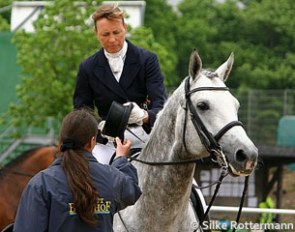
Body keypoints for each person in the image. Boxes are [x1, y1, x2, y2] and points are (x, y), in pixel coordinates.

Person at [13, 109, 142, 232]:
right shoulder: (111, 178)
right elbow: (131, 189)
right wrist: (120, 158)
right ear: (92, 142)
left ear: (60, 141)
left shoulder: (40, 184)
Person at [73, 4, 166, 164]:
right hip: (107, 142)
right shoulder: (87, 67)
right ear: (96, 33)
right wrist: (99, 127)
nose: (112, 39)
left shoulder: (148, 60)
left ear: (125, 28)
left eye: (117, 32)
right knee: (87, 174)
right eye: (105, 34)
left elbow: (161, 104)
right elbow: (82, 109)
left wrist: (144, 116)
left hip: (146, 139)